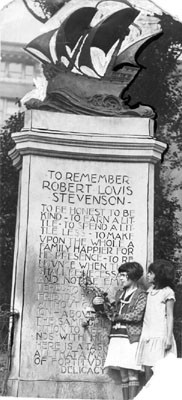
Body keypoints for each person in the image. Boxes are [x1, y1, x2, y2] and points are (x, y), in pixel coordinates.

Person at [104, 261, 147, 400]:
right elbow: (113, 312)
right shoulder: (119, 294)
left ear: (133, 276)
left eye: (123, 275)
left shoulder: (141, 294)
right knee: (123, 374)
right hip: (117, 336)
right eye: (120, 275)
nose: (121, 278)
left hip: (131, 337)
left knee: (132, 372)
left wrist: (119, 317)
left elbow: (137, 315)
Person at [136, 259, 177, 383]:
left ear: (159, 274)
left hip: (161, 335)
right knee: (148, 371)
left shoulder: (167, 292)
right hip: (148, 335)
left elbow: (169, 316)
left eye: (151, 273)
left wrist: (168, 338)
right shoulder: (150, 291)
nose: (148, 275)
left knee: (159, 372)